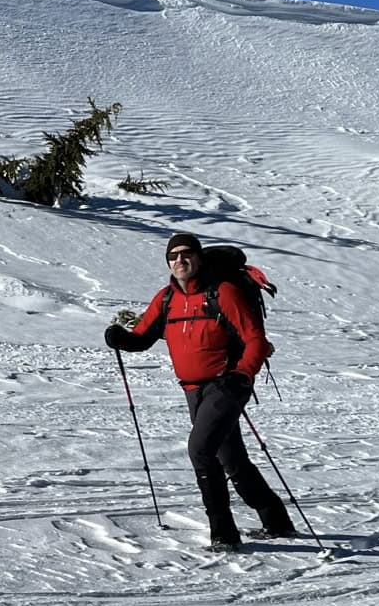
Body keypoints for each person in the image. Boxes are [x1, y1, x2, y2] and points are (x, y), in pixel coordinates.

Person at [104, 232, 296, 548]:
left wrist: (243, 375)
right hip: (192, 389)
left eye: (187, 254)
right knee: (231, 459)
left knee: (201, 450)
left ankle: (224, 533)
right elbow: (142, 338)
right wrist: (121, 339)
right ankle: (276, 519)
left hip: (227, 384)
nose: (180, 260)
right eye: (173, 256)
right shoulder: (166, 298)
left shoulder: (225, 293)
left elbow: (256, 341)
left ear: (199, 257)